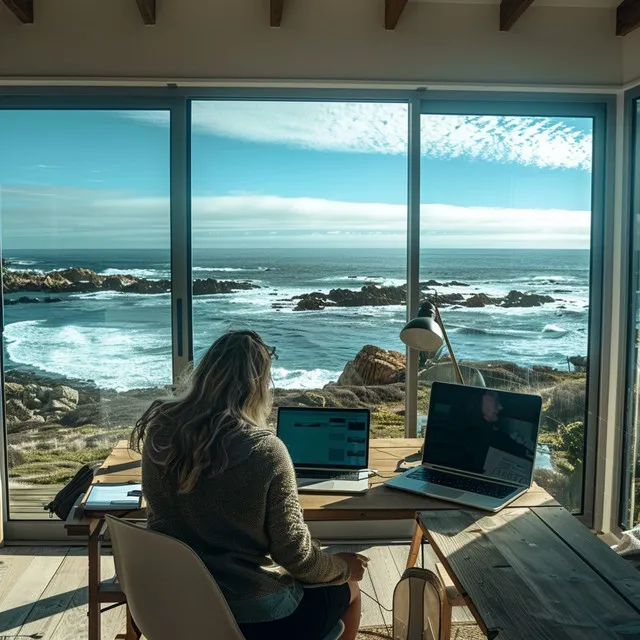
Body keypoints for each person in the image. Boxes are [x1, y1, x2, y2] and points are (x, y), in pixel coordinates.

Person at [130, 330, 364, 640]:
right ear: (258, 386)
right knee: (351, 588)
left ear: (205, 373)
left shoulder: (159, 430)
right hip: (252, 622)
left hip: (171, 608)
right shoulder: (267, 452)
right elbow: (295, 557)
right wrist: (343, 567)